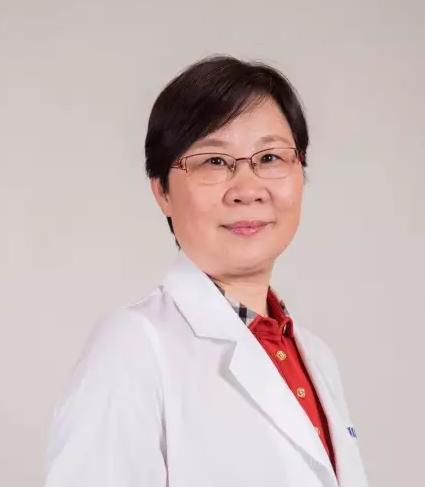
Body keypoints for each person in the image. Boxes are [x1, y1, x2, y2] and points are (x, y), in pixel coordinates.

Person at [43, 55, 368, 487]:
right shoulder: (133, 347)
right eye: (214, 161)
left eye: (271, 157)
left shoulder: (315, 356)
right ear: (162, 191)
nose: (248, 190)